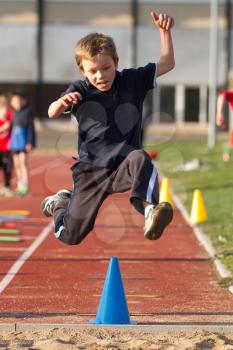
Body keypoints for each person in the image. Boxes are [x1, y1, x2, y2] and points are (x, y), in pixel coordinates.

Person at [41, 11, 175, 245]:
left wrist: (165, 32)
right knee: (71, 236)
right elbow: (52, 112)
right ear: (83, 71)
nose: (100, 75)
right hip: (90, 172)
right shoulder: (80, 90)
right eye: (92, 71)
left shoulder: (132, 80)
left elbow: (167, 63)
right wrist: (62, 103)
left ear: (116, 63)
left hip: (123, 165)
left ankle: (150, 212)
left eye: (106, 68)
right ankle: (61, 204)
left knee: (140, 158)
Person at [10, 92, 36, 195]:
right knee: (16, 164)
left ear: (23, 101)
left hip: (24, 142)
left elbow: (31, 128)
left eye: (19, 101)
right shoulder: (14, 114)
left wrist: (29, 142)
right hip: (14, 142)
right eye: (15, 101)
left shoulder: (27, 112)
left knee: (23, 162)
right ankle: (20, 186)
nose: (17, 103)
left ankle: (25, 187)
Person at [0, 95, 13, 196]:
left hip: (7, 148)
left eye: (5, 108)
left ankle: (7, 187)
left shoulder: (10, 117)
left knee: (7, 168)